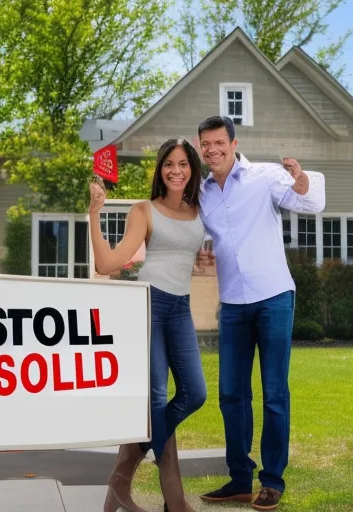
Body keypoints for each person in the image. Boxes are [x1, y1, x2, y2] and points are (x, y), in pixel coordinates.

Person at [196, 116, 325, 511]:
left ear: (234, 143)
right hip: (233, 302)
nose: (212, 150)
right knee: (231, 394)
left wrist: (301, 181)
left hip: (273, 298)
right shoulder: (202, 193)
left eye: (219, 142)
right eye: (205, 144)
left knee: (273, 394)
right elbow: (202, 234)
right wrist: (202, 250)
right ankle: (239, 479)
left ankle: (271, 481)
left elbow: (309, 202)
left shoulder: (265, 176)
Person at [89, 138, 208, 512]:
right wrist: (94, 213)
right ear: (160, 169)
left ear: (192, 169)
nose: (176, 170)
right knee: (156, 397)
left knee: (195, 393)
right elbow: (107, 265)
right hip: (150, 303)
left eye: (183, 164)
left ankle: (121, 473)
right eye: (169, 164)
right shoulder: (144, 210)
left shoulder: (201, 209)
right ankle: (173, 496)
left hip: (181, 307)